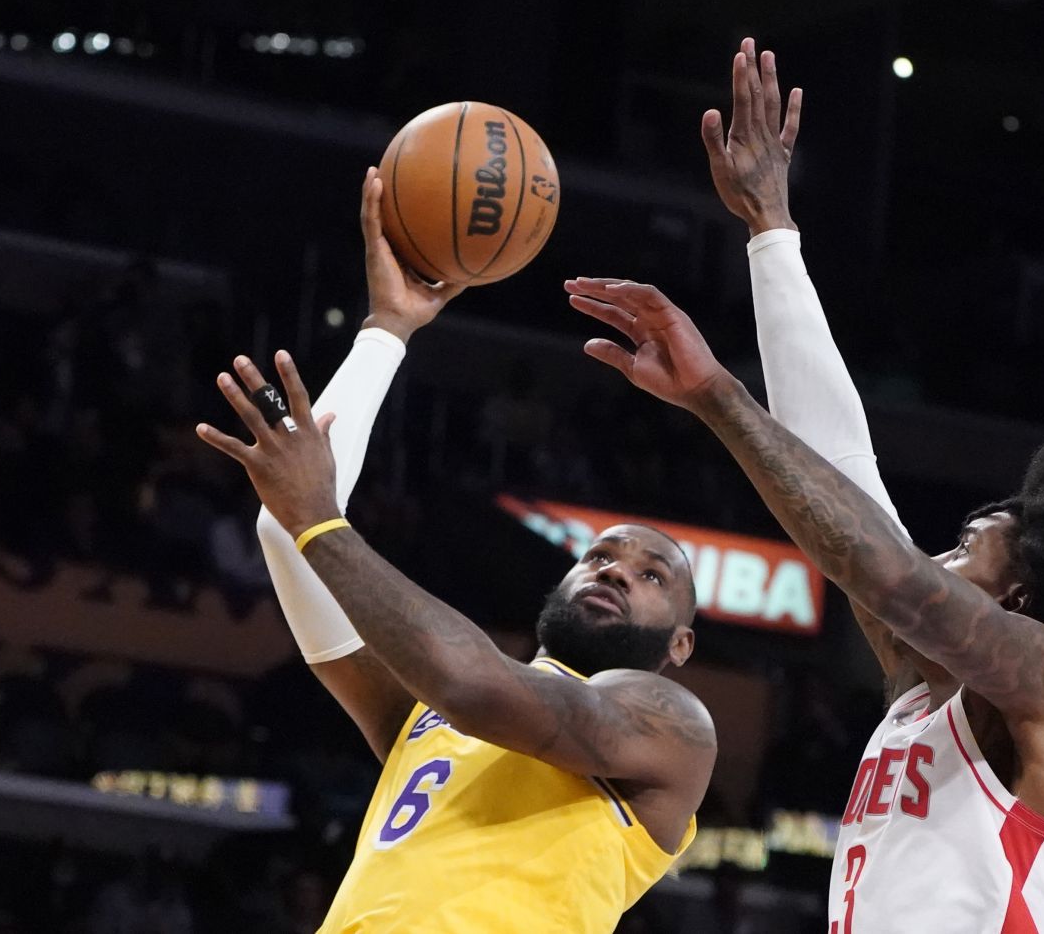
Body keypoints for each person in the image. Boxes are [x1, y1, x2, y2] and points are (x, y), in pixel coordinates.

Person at [563, 41, 1044, 933]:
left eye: (966, 545)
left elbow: (889, 572)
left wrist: (718, 395)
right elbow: (842, 471)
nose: (936, 554)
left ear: (1019, 595)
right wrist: (770, 231)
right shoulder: (922, 688)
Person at [195, 172, 716, 932]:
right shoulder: (424, 711)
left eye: (650, 574)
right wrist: (386, 331)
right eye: (599, 556)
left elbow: (471, 681)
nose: (614, 569)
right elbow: (291, 531)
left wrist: (317, 518)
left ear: (681, 640)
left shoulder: (672, 725)